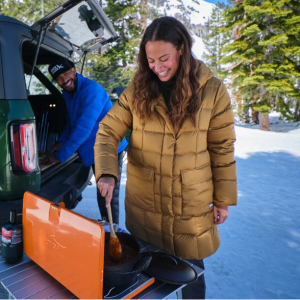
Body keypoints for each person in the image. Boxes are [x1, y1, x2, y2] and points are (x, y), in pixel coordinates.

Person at [94, 17, 237, 299]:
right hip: (145, 202)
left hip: (189, 205)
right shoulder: (137, 90)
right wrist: (107, 172)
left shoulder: (212, 90)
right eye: (150, 60)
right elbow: (107, 131)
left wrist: (222, 198)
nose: (157, 67)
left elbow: (222, 149)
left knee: (190, 274)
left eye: (164, 58)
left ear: (181, 49)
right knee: (144, 278)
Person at [46, 57, 128, 225]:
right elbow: (72, 122)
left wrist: (60, 156)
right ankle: (107, 229)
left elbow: (83, 129)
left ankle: (113, 236)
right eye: (59, 78)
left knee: (107, 195)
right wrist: (61, 141)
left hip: (108, 149)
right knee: (102, 193)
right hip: (93, 150)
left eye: (66, 74)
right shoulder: (70, 93)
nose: (64, 80)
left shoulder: (91, 91)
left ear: (74, 71)